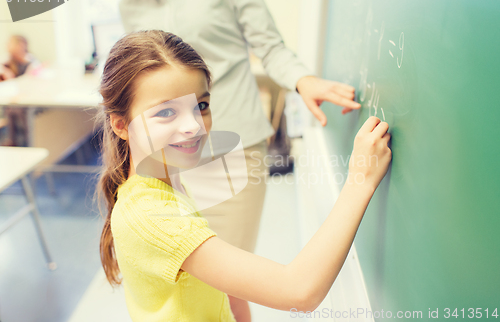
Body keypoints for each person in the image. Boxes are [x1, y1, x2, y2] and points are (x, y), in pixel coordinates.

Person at [97, 30, 391, 322]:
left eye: (201, 106)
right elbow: (299, 291)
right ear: (121, 125)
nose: (194, 126)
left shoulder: (158, 180)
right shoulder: (153, 215)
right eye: (166, 113)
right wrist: (360, 181)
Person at [0, 35, 41, 146]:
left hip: (29, 99)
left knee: (19, 110)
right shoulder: (8, 61)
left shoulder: (31, 61)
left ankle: (27, 142)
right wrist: (5, 72)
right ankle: (13, 141)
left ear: (22, 46)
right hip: (13, 99)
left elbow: (32, 82)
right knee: (10, 109)